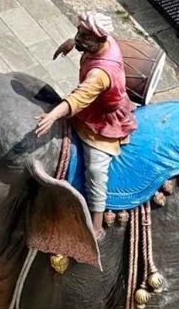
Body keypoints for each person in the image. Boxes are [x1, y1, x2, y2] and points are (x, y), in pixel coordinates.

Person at [35, 12, 138, 238]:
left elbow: (79, 97)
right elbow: (84, 41)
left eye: (84, 37)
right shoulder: (102, 42)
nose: (78, 38)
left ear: (100, 40)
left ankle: (96, 224)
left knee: (95, 169)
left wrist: (52, 116)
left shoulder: (101, 74)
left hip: (103, 121)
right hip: (91, 106)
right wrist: (73, 43)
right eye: (78, 33)